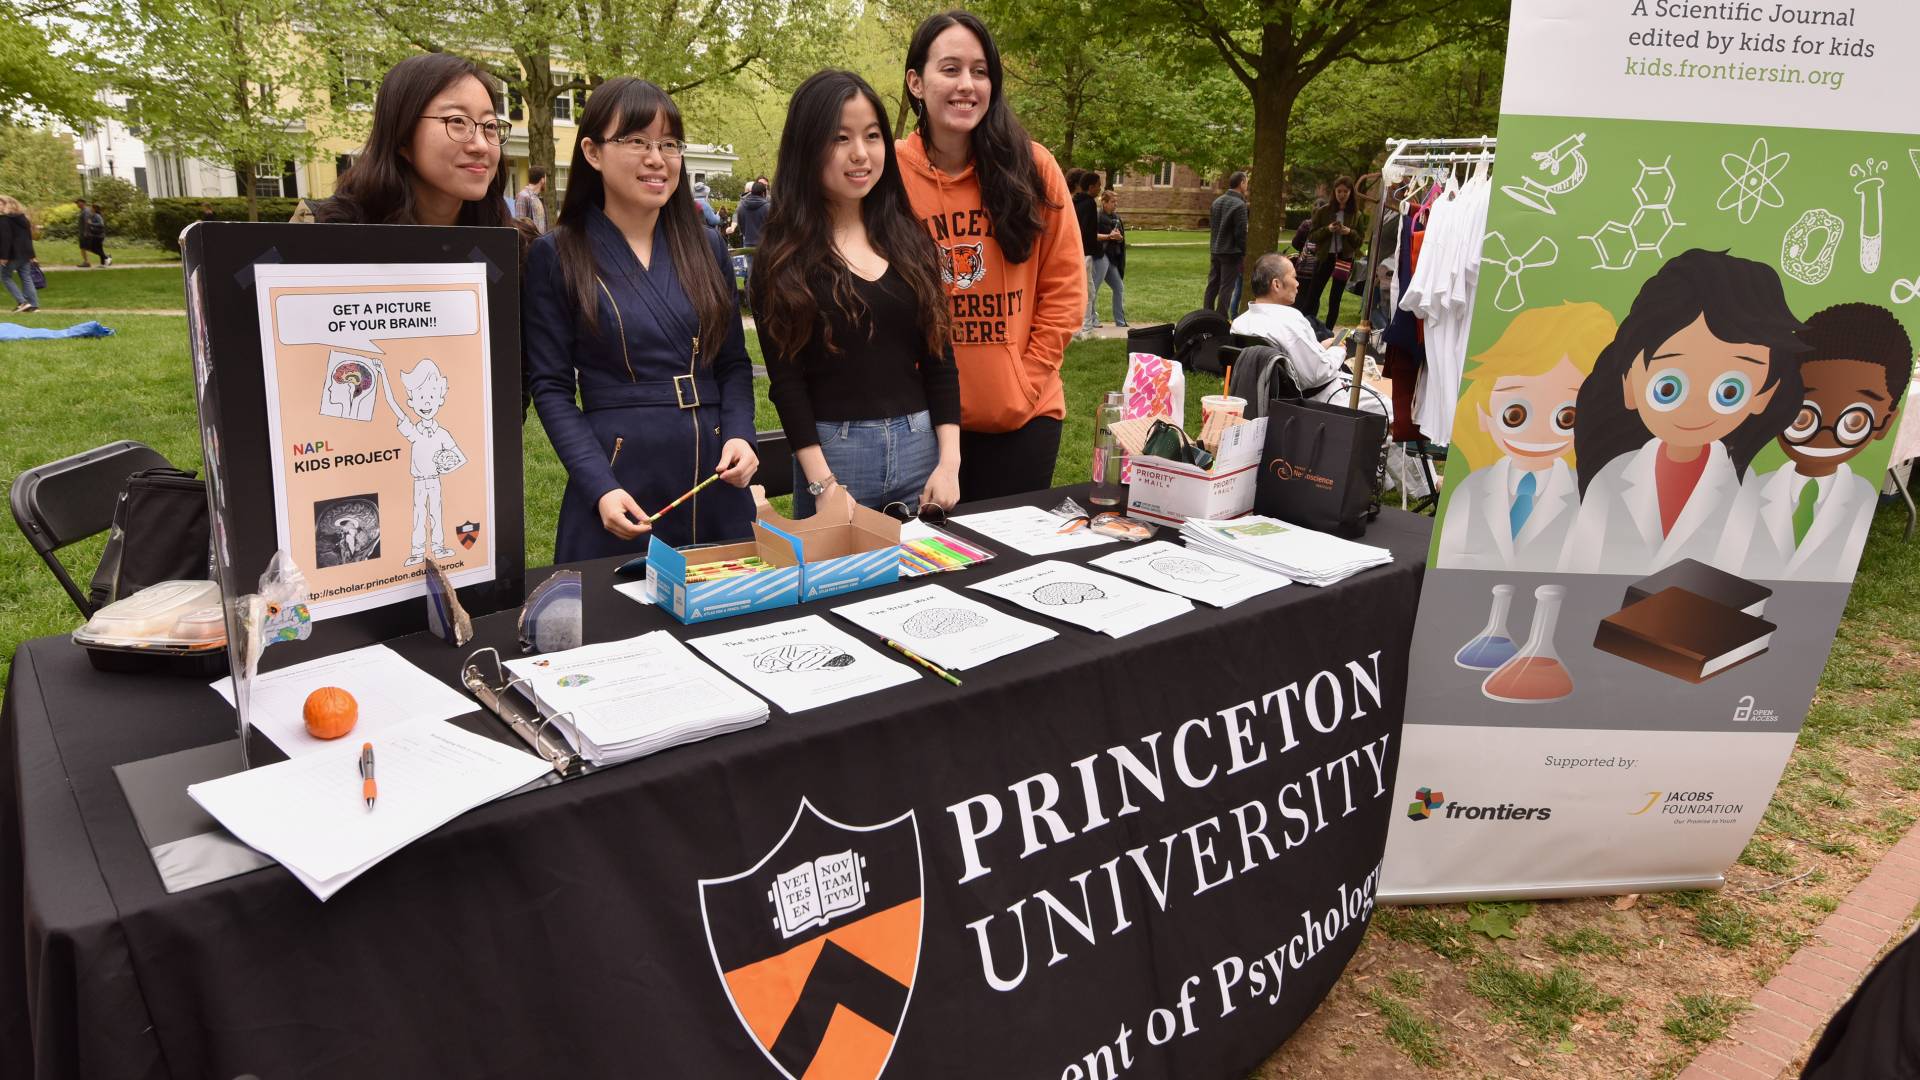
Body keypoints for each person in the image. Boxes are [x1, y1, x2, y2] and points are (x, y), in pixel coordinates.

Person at [524, 76, 759, 562]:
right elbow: (550, 386)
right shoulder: (558, 254)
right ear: (591, 152)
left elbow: (733, 363)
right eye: (637, 141)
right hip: (620, 482)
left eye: (669, 143)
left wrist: (740, 433)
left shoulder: (707, 245)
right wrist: (598, 484)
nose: (658, 158)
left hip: (714, 476)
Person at [752, 70, 961, 519]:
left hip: (921, 448)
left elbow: (941, 360)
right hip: (835, 457)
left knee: (925, 584)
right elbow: (787, 385)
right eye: (840, 138)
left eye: (872, 136)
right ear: (807, 147)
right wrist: (822, 483)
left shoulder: (911, 239)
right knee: (843, 587)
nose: (860, 154)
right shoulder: (782, 257)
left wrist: (950, 462)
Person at [897, 10, 1085, 501]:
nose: (967, 85)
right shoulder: (890, 173)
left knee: (1004, 570)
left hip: (1021, 421)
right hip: (922, 423)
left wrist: (1027, 382)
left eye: (981, 72)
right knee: (926, 571)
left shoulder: (1033, 166)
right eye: (951, 69)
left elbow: (1064, 290)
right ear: (916, 82)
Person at [1561, 249, 1806, 575]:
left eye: (1729, 391)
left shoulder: (1748, 498)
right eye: (1668, 387)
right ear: (1632, 382)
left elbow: (1748, 590)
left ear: (1764, 394)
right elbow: (1581, 568)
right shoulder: (1610, 477)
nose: (1695, 408)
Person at [1716, 302, 1911, 581]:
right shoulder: (1749, 490)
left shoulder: (1862, 499)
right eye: (1802, 415)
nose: (1824, 436)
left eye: (1854, 421)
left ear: (1886, 423)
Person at [1436, 302, 1617, 572]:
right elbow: (1447, 564)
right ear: (1483, 411)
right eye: (1515, 415)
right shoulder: (1470, 490)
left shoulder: (1589, 500)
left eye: (1567, 417)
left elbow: (1585, 571)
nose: (1539, 433)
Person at [314, 53, 517, 227]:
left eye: (490, 126)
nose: (481, 146)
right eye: (457, 121)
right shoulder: (326, 243)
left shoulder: (517, 250)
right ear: (403, 135)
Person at [1297, 174, 1366, 329]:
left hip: (1344, 259)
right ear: (1334, 192)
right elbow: (1312, 237)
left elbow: (1359, 241)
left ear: (1350, 193)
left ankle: (1328, 331)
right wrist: (1328, 229)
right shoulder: (1323, 211)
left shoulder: (1357, 214)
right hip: (1324, 258)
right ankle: (1304, 327)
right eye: (1339, 191)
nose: (1342, 195)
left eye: (1345, 192)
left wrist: (1349, 232)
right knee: (1313, 295)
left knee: (1335, 298)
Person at [1204, 170, 1249, 316]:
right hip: (1231, 252)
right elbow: (1240, 233)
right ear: (1241, 183)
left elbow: (1213, 226)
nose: (1247, 185)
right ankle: (1220, 319)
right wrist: (1245, 251)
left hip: (1215, 249)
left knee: (1212, 285)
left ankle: (1206, 315)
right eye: (1246, 182)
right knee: (1226, 288)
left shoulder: (1216, 202)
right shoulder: (1240, 205)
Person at [1073, 170, 1103, 333]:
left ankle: (1080, 327)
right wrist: (1096, 249)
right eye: (1098, 185)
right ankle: (1085, 328)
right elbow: (1088, 232)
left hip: (1076, 253)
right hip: (1085, 254)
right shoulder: (1090, 204)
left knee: (1083, 290)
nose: (1100, 188)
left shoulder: (1075, 202)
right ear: (1091, 187)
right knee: (1087, 291)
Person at [0, 195, 39, 313]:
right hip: (25, 254)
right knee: (26, 278)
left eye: (0, 203)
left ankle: (22, 302)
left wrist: (3, 257)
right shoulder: (23, 218)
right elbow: (28, 237)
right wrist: (32, 255)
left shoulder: (4, 219)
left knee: (5, 277)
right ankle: (33, 305)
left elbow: (5, 239)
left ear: (7, 204)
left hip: (12, 255)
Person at [1094, 188, 1126, 327]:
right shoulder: (1097, 217)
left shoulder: (1116, 218)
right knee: (1093, 289)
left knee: (1119, 288)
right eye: (1113, 201)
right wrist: (1109, 236)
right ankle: (1092, 319)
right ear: (1104, 203)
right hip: (1100, 257)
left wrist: (1119, 238)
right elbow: (1090, 236)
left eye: (1116, 202)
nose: (1115, 204)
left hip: (1112, 258)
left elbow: (1120, 238)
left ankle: (1120, 322)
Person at [730, 179, 770, 248]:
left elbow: (741, 225)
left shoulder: (741, 206)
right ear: (763, 193)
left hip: (748, 243)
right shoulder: (768, 207)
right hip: (764, 244)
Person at [76, 199, 110, 267]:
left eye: (78, 203)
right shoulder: (89, 213)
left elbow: (90, 223)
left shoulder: (90, 213)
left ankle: (106, 258)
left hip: (96, 235)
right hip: (93, 234)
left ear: (83, 203)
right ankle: (103, 262)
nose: (77, 204)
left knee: (90, 248)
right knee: (95, 248)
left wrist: (87, 230)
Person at [515, 166, 549, 233]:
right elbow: (520, 226)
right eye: (545, 178)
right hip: (531, 242)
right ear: (542, 180)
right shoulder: (523, 196)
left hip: (540, 242)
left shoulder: (538, 199)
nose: (546, 182)